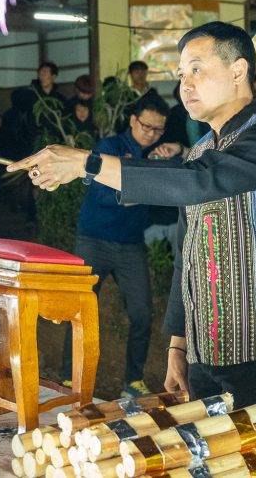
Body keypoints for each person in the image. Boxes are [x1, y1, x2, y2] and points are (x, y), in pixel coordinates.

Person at [9, 21, 256, 454]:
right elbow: (188, 255)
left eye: (197, 69)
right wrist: (177, 344)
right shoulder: (202, 149)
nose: (185, 85)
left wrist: (89, 164)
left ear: (239, 70)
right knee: (212, 459)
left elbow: (198, 182)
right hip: (203, 349)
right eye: (181, 74)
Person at [61, 92, 170, 398]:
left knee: (142, 313)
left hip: (131, 246)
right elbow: (101, 193)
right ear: (133, 120)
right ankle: (70, 377)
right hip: (94, 240)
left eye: (158, 129)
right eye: (146, 127)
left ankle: (133, 380)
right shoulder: (110, 148)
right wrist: (143, 189)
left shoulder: (158, 154)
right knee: (80, 310)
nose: (151, 134)